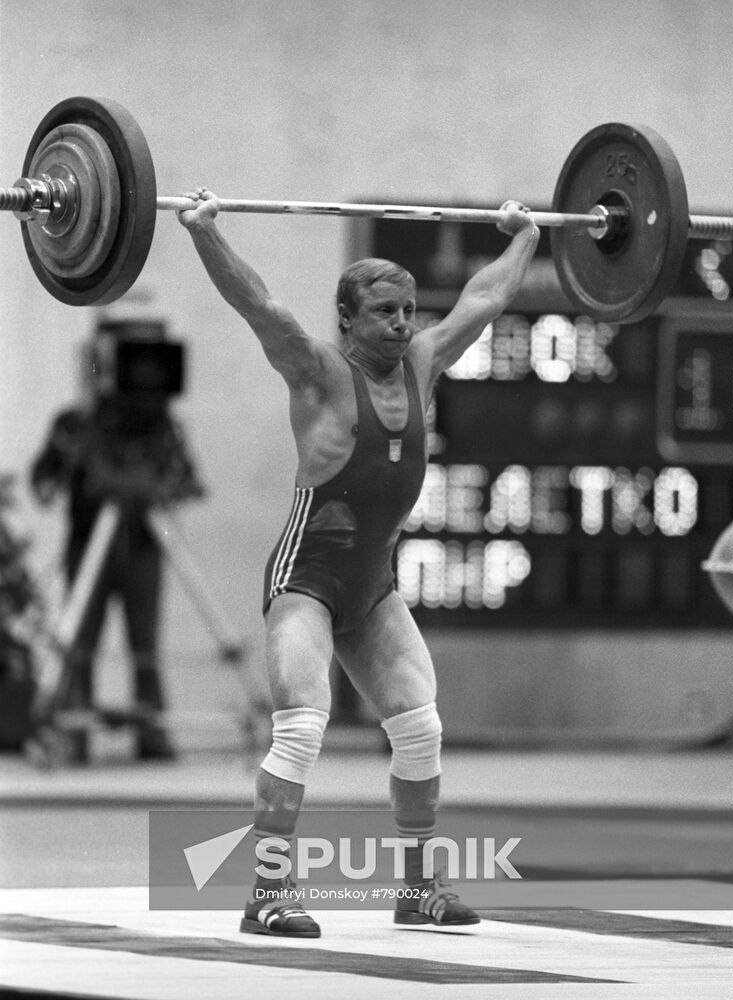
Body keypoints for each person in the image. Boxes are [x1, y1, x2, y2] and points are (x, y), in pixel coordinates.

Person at [177, 189, 539, 936]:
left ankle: (418, 892)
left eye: (407, 309)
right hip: (305, 581)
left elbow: (487, 295)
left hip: (373, 590)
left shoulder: (425, 360)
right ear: (348, 318)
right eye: (385, 311)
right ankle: (268, 894)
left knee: (420, 727)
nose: (403, 323)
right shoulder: (313, 368)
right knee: (304, 725)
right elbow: (259, 304)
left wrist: (527, 234)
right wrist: (203, 230)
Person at [29, 324, 205, 763]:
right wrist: (68, 457)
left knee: (144, 642)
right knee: (80, 642)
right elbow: (43, 482)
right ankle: (73, 734)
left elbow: (188, 482)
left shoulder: (164, 428)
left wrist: (158, 490)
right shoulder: (76, 423)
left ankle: (153, 735)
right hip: (87, 545)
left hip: (145, 547)